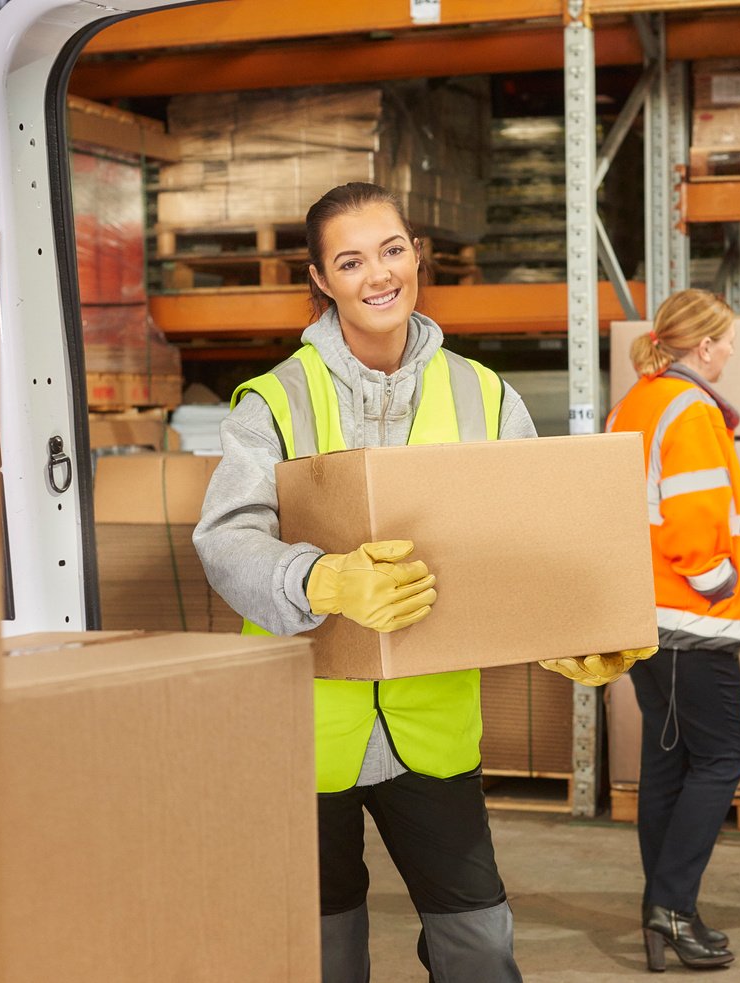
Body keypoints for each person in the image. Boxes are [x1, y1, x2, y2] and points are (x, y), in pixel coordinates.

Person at [193, 182, 554, 983]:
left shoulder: (486, 396)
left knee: (481, 946)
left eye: (392, 250)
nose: (378, 274)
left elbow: (529, 539)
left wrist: (567, 634)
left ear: (416, 251)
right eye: (350, 261)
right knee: (324, 955)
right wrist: (320, 578)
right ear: (321, 279)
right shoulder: (276, 399)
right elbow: (226, 539)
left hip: (433, 729)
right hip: (304, 731)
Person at [605, 289, 740, 971]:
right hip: (693, 622)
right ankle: (670, 902)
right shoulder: (691, 410)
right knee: (723, 756)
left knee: (668, 762)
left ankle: (669, 911)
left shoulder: (636, 400)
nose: (729, 350)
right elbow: (694, 524)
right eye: (725, 340)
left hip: (646, 619)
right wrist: (720, 582)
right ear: (702, 345)